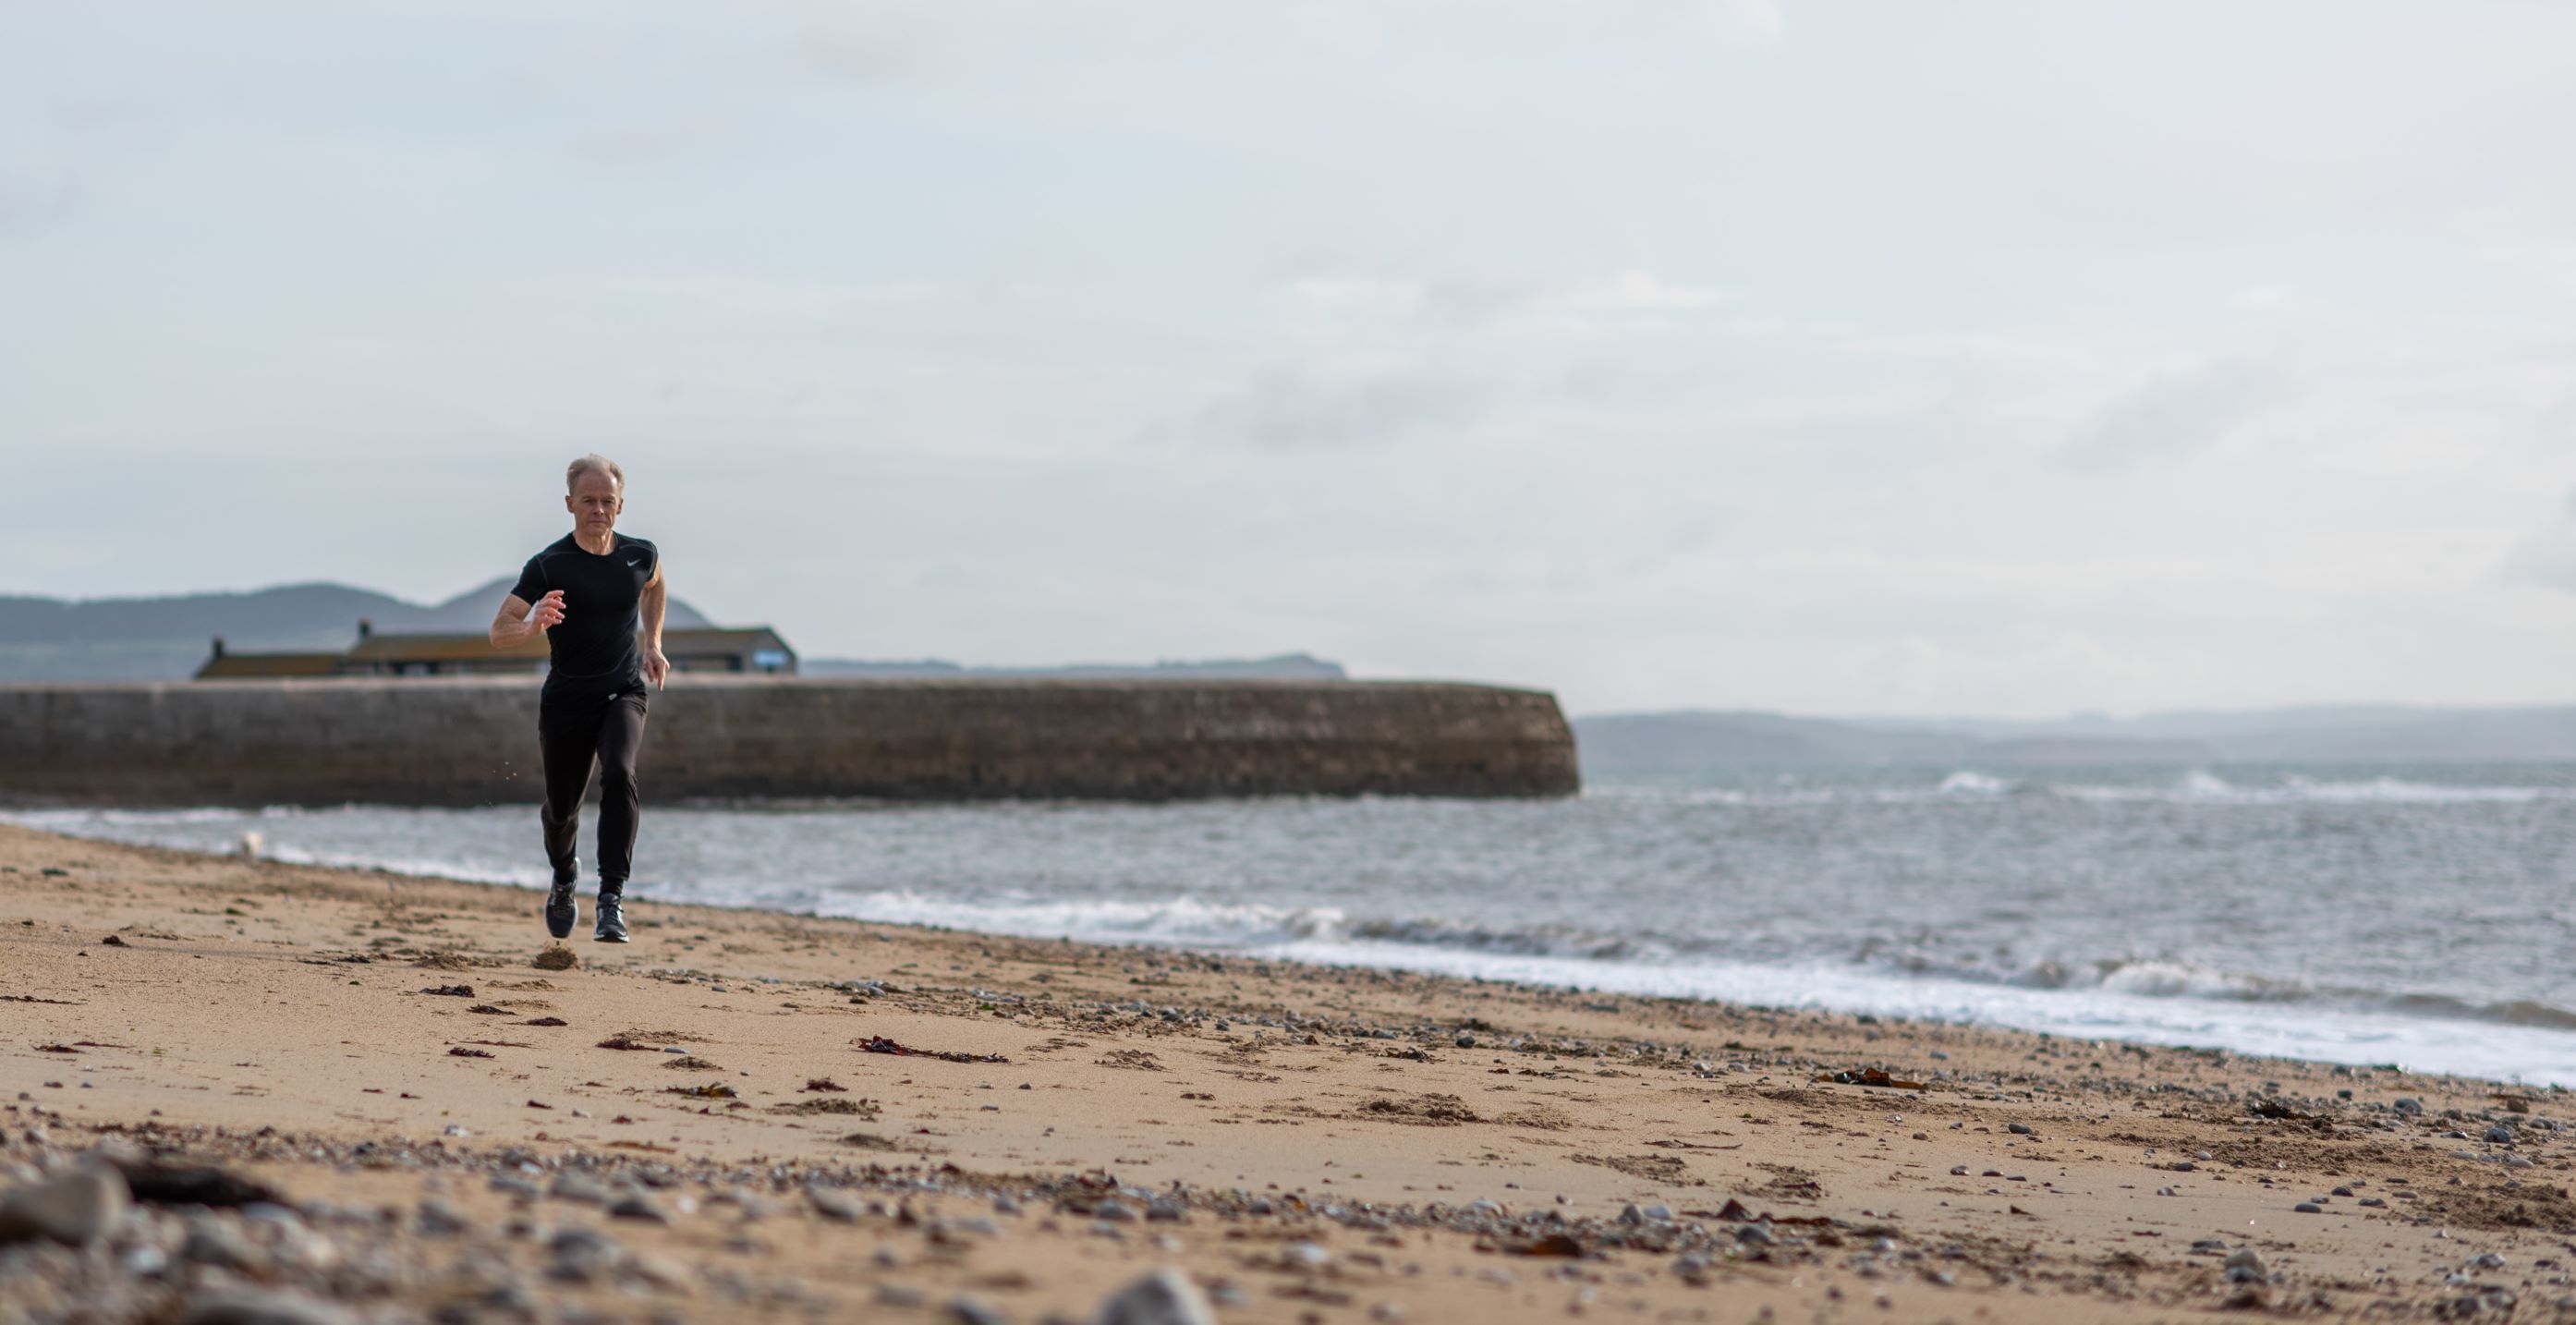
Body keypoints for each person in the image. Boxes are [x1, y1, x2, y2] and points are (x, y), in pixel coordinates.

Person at [488, 455, 670, 942]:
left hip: (623, 692)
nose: (598, 509)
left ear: (620, 505)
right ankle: (565, 876)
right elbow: (498, 631)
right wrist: (531, 625)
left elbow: (654, 585)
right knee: (561, 809)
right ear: (569, 503)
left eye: (607, 501)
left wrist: (652, 643)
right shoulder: (549, 564)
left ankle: (611, 899)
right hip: (568, 700)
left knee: (619, 772)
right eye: (588, 500)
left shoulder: (640, 554)